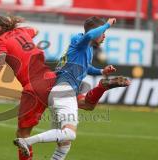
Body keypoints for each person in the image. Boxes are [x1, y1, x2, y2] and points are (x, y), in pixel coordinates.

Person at [14, 16, 130, 160]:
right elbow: (89, 35)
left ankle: (30, 143)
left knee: (64, 143)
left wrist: (102, 71)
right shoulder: (79, 40)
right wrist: (107, 24)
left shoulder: (87, 49)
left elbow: (86, 67)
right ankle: (26, 141)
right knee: (70, 133)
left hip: (60, 92)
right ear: (96, 31)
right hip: (64, 90)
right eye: (102, 33)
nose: (104, 35)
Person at [0, 15, 57, 160]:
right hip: (51, 78)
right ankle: (102, 86)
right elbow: (36, 30)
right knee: (83, 106)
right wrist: (15, 25)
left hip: (34, 88)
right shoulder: (24, 32)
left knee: (22, 135)